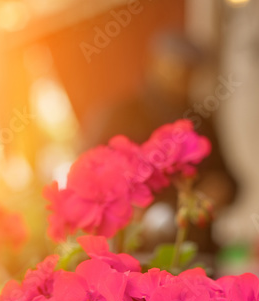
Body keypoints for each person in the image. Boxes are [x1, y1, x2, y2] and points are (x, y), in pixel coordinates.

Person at [84, 32, 239, 255]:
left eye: (188, 70)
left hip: (195, 248)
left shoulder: (201, 120)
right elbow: (91, 176)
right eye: (174, 67)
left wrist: (219, 189)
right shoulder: (117, 116)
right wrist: (121, 204)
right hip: (134, 250)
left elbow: (230, 181)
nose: (180, 76)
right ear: (155, 63)